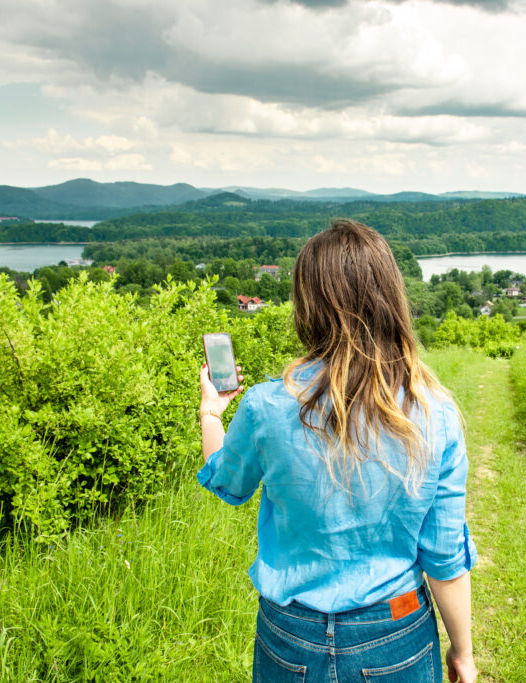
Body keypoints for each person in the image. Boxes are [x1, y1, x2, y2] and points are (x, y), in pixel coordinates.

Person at [197, 218, 477, 682]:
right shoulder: (435, 412)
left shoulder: (266, 404)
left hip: (289, 632)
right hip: (397, 624)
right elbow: (444, 556)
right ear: (390, 299)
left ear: (308, 306)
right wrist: (462, 655)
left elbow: (226, 483)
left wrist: (211, 414)